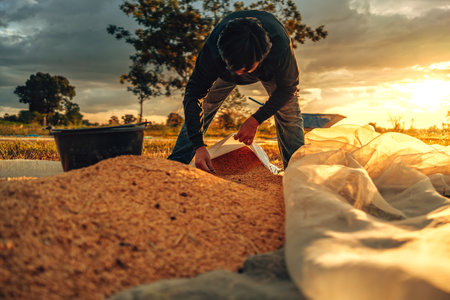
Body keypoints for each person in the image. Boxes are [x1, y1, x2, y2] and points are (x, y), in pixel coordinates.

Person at [168, 10, 304, 173]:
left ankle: (297, 172)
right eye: (236, 69)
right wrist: (199, 146)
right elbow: (193, 95)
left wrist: (255, 120)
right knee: (206, 104)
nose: (241, 74)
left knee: (289, 112)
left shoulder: (279, 47)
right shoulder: (212, 51)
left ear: (262, 57)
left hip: (269, 71)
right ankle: (176, 164)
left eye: (246, 69)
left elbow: (288, 88)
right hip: (224, 70)